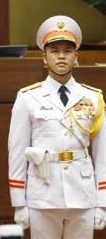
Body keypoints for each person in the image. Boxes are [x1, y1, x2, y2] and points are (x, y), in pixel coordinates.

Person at [8, 15, 106, 239]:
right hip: (43, 193)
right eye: (54, 50)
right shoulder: (27, 98)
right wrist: (18, 203)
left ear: (76, 56)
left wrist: (102, 203)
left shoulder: (92, 98)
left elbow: (103, 154)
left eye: (67, 50)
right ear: (44, 57)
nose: (61, 56)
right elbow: (16, 153)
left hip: (82, 193)